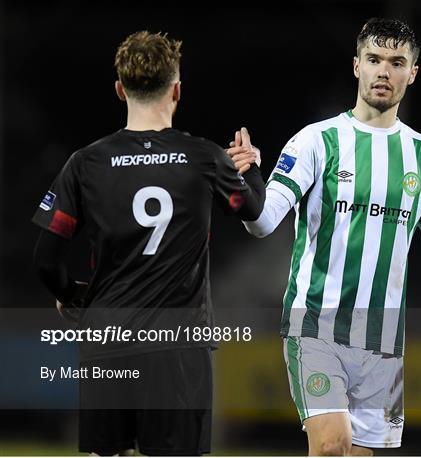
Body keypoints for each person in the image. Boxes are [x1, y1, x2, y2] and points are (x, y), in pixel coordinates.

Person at [227, 17, 421, 456]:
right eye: (375, 59)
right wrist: (246, 184)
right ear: (357, 65)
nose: (384, 71)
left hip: (383, 339)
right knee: (331, 445)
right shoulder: (316, 141)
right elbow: (263, 222)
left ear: (412, 73)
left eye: (397, 62)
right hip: (315, 326)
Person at [32, 31, 264, 456]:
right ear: (177, 91)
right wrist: (249, 167)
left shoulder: (86, 162)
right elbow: (251, 210)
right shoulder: (205, 157)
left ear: (120, 90)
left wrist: (73, 296)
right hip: (179, 345)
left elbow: (46, 259)